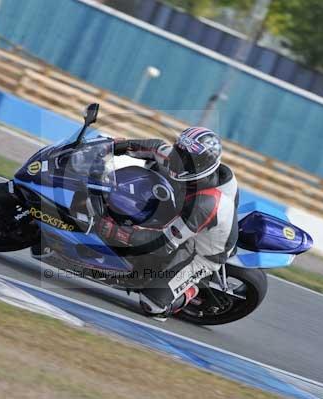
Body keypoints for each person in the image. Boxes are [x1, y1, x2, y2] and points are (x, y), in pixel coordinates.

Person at [96, 127, 239, 320]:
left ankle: (192, 290)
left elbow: (162, 243)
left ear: (201, 163)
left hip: (201, 251)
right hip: (187, 216)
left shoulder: (205, 204)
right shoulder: (186, 165)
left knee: (152, 304)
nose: (178, 159)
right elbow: (154, 147)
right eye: (179, 151)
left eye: (185, 158)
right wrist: (114, 145)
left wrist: (117, 232)